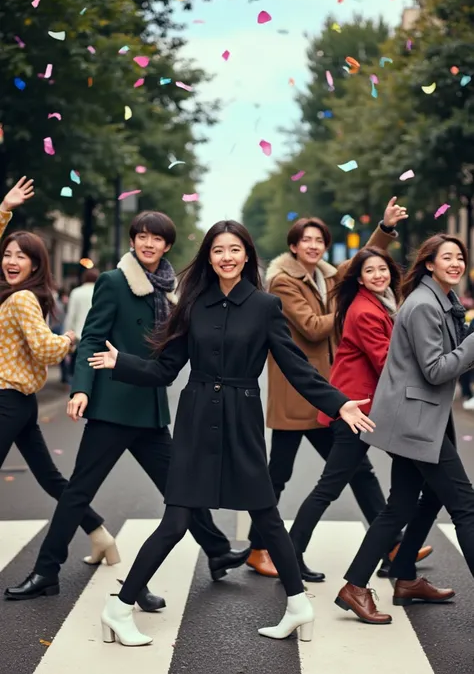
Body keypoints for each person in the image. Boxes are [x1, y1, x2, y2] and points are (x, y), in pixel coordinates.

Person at [88, 220, 375, 647]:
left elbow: (295, 366)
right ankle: (119, 608)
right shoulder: (192, 305)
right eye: (218, 250)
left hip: (242, 419)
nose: (226, 256)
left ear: (246, 256)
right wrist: (121, 363)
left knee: (266, 515)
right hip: (196, 418)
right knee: (176, 519)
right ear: (209, 256)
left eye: (234, 249)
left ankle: (298, 607)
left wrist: (337, 402)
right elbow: (166, 369)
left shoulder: (265, 306)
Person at [6, 211, 248, 610]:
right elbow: (91, 339)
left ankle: (218, 550)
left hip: (150, 411)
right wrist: (82, 388)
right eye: (141, 236)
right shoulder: (114, 282)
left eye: (157, 238)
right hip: (114, 407)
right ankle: (46, 571)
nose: (148, 243)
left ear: (167, 246)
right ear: (133, 240)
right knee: (79, 490)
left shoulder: (171, 289)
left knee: (179, 488)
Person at [247, 198, 415, 580]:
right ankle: (260, 549)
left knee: (355, 470)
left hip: (331, 394)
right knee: (281, 475)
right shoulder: (283, 282)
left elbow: (364, 266)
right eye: (306, 240)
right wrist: (348, 315)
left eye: (319, 240)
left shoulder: (326, 275)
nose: (313, 246)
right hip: (297, 393)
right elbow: (309, 327)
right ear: (293, 246)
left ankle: (391, 542)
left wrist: (385, 229)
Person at [285, 247, 446, 620]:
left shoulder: (385, 303)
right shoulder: (365, 309)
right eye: (370, 271)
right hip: (358, 410)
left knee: (375, 482)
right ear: (359, 278)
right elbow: (388, 359)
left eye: (383, 269)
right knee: (332, 485)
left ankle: (398, 559)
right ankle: (292, 555)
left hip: (377, 409)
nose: (378, 275)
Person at [335, 234, 474, 624]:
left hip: (422, 416)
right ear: (429, 264)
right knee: (466, 506)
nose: (456, 263)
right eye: (447, 257)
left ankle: (393, 578)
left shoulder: (443, 301)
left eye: (460, 257)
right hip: (414, 420)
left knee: (407, 503)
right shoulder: (424, 306)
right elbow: (435, 369)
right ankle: (370, 583)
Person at [0, 177, 114, 589]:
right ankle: (99, 533)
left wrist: (68, 338)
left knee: (51, 478)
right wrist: (4, 210)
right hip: (18, 402)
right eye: (7, 254)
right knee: (51, 479)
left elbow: (47, 351)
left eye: (21, 256)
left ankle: (90, 542)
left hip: (7, 400)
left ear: (36, 264)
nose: (11, 261)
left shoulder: (21, 299)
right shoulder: (14, 294)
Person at [64, 267, 100, 380]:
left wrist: (67, 335)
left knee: (77, 370)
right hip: (98, 336)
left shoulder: (76, 292)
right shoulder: (100, 291)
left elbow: (71, 316)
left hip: (79, 336)